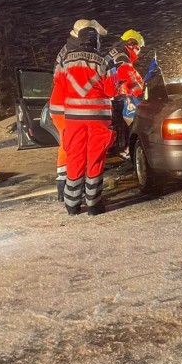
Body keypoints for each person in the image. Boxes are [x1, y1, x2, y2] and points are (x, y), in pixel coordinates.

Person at [56, 22, 117, 216]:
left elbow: (59, 84)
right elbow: (112, 90)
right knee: (95, 158)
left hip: (74, 118)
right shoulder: (105, 60)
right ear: (96, 41)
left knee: (75, 157)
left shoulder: (65, 59)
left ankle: (72, 205)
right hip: (99, 118)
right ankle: (93, 203)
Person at [50, 19, 106, 200]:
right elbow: (63, 80)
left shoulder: (68, 50)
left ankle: (70, 193)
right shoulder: (73, 52)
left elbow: (59, 77)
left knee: (70, 147)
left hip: (66, 105)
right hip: (67, 107)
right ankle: (67, 191)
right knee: (71, 148)